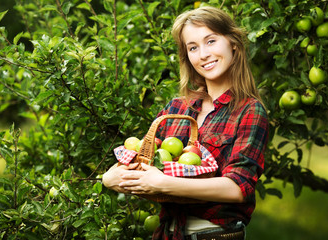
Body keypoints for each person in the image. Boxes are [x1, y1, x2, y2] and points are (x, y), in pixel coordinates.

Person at [102, 6, 269, 240]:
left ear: (233, 43)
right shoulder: (177, 108)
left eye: (210, 41)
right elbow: (142, 159)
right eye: (193, 47)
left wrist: (163, 184)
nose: (203, 55)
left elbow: (237, 188)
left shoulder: (249, 110)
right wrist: (111, 176)